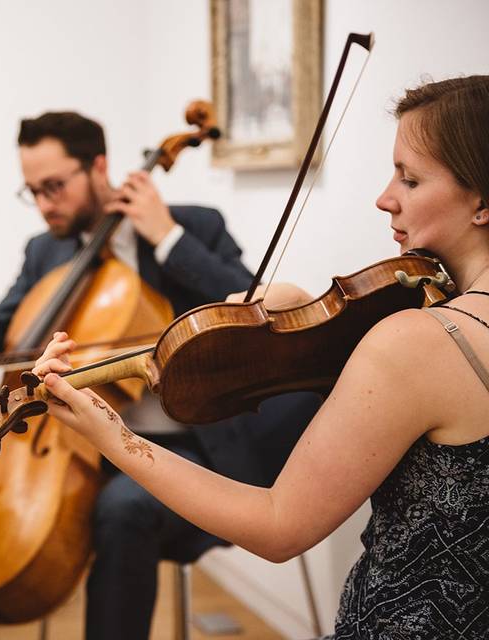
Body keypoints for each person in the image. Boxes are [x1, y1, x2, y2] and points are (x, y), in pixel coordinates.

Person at [33, 76, 489, 638]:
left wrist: (113, 437)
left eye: (410, 178)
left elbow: (279, 526)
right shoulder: (430, 321)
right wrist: (296, 307)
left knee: (121, 511)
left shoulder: (417, 339)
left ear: (481, 203)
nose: (384, 197)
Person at [0, 112, 321, 640]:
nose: (44, 205)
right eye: (32, 191)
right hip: (70, 448)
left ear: (98, 166)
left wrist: (167, 238)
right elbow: (8, 319)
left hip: (188, 449)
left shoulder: (196, 226)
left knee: (123, 509)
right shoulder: (45, 251)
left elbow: (253, 317)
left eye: (54, 187)